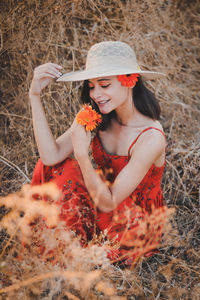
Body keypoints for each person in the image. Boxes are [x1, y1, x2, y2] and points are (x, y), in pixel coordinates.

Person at [29, 41, 167, 265]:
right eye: (92, 86)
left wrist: (83, 155)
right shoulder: (98, 114)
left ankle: (73, 248)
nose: (96, 94)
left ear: (129, 80)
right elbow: (50, 157)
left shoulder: (151, 137)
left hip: (131, 219)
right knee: (57, 168)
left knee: (94, 255)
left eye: (104, 85)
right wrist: (35, 95)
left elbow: (109, 202)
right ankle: (64, 243)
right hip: (100, 196)